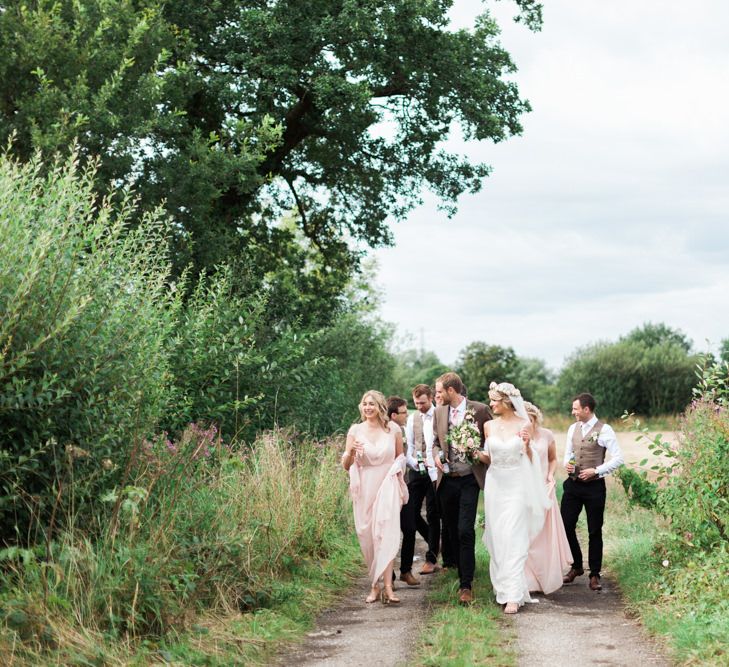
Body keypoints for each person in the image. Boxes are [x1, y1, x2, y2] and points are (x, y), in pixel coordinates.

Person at [481, 382, 550, 614]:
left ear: (507, 402)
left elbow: (530, 457)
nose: (491, 404)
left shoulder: (524, 424)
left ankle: (513, 595)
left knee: (513, 535)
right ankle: (502, 588)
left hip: (517, 485)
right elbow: (488, 458)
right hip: (495, 485)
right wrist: (471, 450)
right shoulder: (488, 426)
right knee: (498, 537)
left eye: (494, 400)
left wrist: (528, 446)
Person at [343, 390, 408, 604]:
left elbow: (400, 456)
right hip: (365, 488)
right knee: (368, 537)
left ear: (380, 407)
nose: (367, 407)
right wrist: (351, 452)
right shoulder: (355, 430)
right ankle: (375, 585)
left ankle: (388, 587)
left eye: (372, 404)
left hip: (386, 487)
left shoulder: (393, 430)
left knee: (385, 534)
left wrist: (396, 470)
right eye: (364, 403)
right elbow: (346, 465)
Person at [432, 372, 491, 605]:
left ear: (451, 391)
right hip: (447, 479)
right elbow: (436, 442)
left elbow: (491, 439)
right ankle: (457, 567)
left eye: (439, 391)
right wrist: (436, 455)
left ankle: (466, 585)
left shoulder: (479, 410)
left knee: (466, 530)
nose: (437, 395)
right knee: (451, 529)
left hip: (469, 478)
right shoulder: (439, 412)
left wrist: (478, 453)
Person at [561, 393, 624, 591]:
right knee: (565, 525)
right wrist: (568, 464)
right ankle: (577, 566)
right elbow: (568, 453)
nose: (573, 412)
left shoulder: (604, 430)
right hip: (573, 485)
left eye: (575, 409)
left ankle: (595, 573)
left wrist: (596, 471)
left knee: (594, 530)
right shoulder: (573, 428)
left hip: (595, 487)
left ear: (586, 409)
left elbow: (619, 458)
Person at [523, 401, 573, 594]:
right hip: (526, 489)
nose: (528, 423)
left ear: (536, 419)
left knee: (542, 534)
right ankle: (528, 580)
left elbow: (552, 459)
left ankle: (545, 575)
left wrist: (551, 475)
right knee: (528, 535)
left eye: (531, 419)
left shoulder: (547, 435)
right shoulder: (519, 436)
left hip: (545, 488)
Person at [401, 385, 441, 579]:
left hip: (436, 472)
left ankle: (431, 558)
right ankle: (435, 541)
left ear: (431, 398)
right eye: (416, 403)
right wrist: (416, 464)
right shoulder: (412, 418)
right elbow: (408, 449)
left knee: (434, 514)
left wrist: (433, 461)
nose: (419, 406)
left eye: (423, 403)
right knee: (411, 512)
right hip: (417, 472)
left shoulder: (440, 415)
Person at [385, 395, 421, 587]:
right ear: (393, 415)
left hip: (404, 485)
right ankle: (388, 574)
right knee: (389, 531)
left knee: (409, 528)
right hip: (387, 488)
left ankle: (405, 571)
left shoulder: (402, 430)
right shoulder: (385, 432)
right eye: (404, 412)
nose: (407, 415)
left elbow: (405, 457)